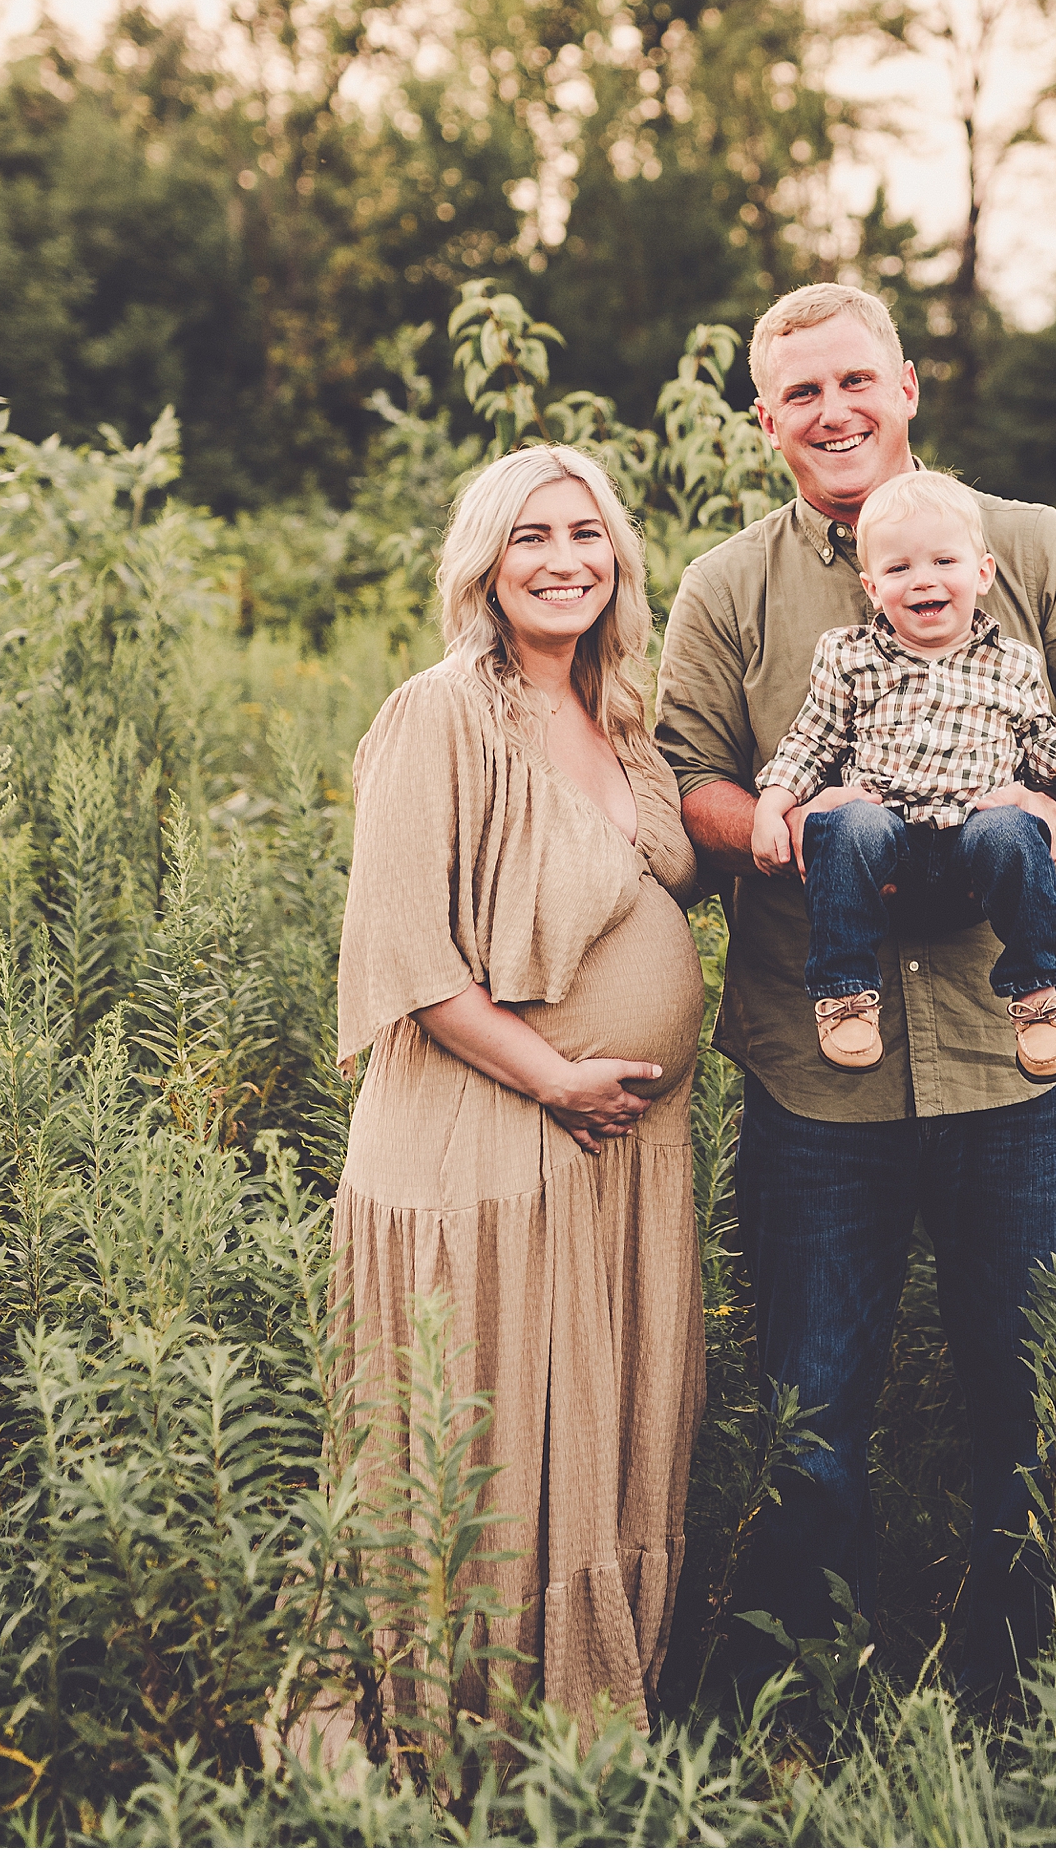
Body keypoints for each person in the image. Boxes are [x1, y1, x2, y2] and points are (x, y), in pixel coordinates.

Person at [655, 284, 1056, 1700]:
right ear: (764, 420)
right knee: (813, 1404)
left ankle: (1027, 1699)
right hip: (815, 1068)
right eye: (799, 393)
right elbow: (687, 771)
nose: (832, 411)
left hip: (1017, 1060)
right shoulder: (730, 586)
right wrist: (794, 826)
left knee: (1033, 1394)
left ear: (906, 383)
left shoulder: (1035, 548)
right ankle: (818, 1693)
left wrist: (1049, 803)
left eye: (854, 380)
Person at [332, 444, 706, 1740]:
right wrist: (556, 1076)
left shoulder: (619, 715)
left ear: (619, 558)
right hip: (491, 1139)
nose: (564, 559)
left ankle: (584, 1723)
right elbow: (406, 954)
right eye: (531, 535)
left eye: (586, 534)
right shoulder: (441, 710)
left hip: (619, 1154)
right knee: (486, 1444)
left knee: (588, 1439)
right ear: (484, 561)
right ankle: (463, 1734)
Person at [750, 468, 1056, 1078]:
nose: (922, 580)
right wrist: (774, 803)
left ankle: (1037, 994)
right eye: (898, 570)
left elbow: (1036, 747)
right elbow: (811, 740)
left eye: (943, 562)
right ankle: (845, 992)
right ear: (873, 588)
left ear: (981, 574)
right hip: (888, 834)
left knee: (1014, 830)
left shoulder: (1012, 665)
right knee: (846, 825)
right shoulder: (850, 658)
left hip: (972, 835)